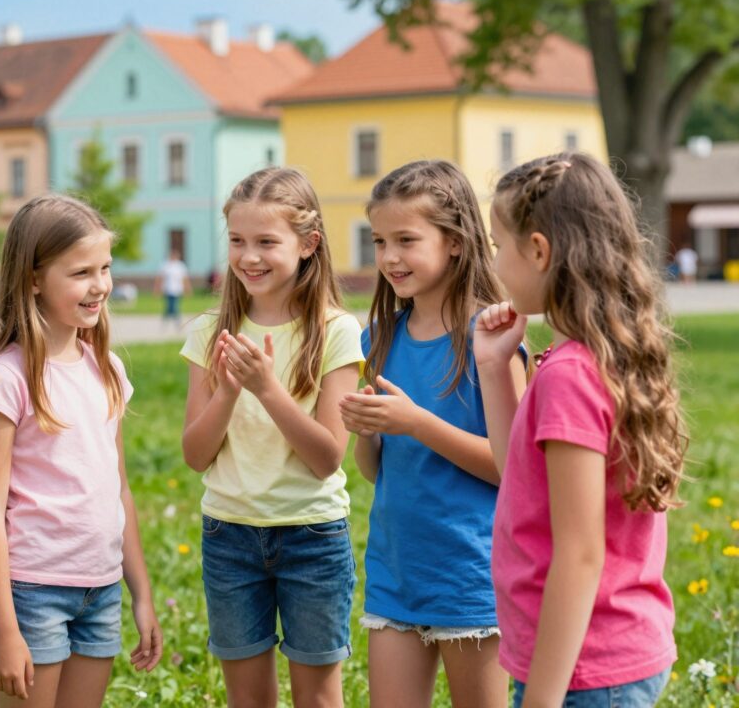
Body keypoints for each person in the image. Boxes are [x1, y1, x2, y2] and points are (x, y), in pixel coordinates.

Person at [475, 151, 686, 707]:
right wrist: (496, 368)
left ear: (539, 250)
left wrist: (542, 699)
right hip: (605, 659)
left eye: (499, 246)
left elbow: (580, 552)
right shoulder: (597, 357)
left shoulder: (570, 373)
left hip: (582, 674)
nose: (494, 264)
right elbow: (517, 476)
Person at [339, 161, 527, 707]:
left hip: (471, 575)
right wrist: (367, 432)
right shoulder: (378, 335)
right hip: (397, 572)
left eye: (406, 239)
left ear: (456, 244)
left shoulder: (490, 338)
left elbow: (508, 467)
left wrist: (416, 422)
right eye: (379, 241)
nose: (390, 257)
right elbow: (374, 471)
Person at [181, 167, 363, 707]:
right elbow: (195, 456)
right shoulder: (209, 333)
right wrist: (229, 393)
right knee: (248, 699)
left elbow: (328, 457)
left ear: (308, 245)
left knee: (319, 698)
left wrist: (266, 388)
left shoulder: (336, 331)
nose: (248, 257)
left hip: (313, 538)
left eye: (266, 242)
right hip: (229, 537)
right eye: (237, 241)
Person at [0, 194, 162, 708]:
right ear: (33, 279)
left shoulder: (108, 371)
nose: (100, 284)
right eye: (81, 272)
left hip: (99, 589)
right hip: (32, 589)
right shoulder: (6, 378)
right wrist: (3, 628)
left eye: (105, 268)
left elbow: (118, 488)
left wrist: (140, 593)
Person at [154, 248, 192, 328]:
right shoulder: (165, 265)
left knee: (174, 306)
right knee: (169, 306)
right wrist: (157, 289)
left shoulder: (180, 266)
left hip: (177, 290)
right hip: (168, 290)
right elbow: (160, 278)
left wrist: (188, 288)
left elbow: (185, 278)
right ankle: (170, 321)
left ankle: (174, 321)